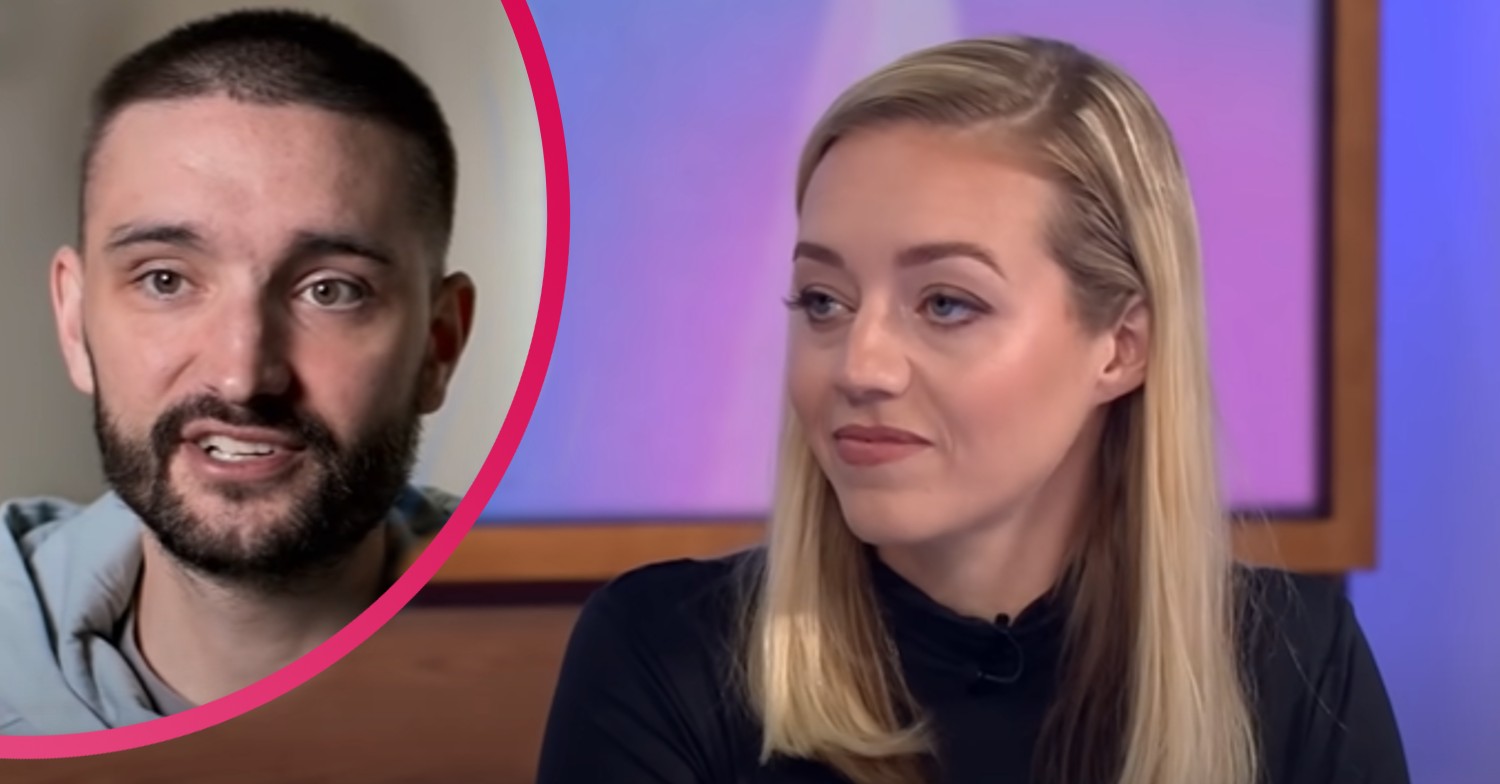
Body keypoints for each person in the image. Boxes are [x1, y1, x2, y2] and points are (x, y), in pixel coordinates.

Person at [536, 36, 1407, 784]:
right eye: (823, 301)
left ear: (1121, 347)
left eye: (947, 303)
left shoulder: (1294, 660)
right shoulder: (664, 656)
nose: (860, 365)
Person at [0, 9, 476, 735]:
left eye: (330, 290)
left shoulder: (594, 672)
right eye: (164, 280)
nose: (241, 375)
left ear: (438, 346)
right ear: (75, 322)